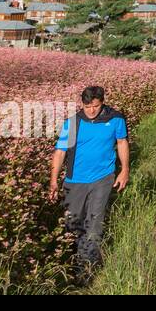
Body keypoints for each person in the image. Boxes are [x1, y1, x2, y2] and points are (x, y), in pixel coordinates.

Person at [48, 86, 129, 269]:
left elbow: (122, 142)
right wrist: (53, 180)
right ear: (82, 104)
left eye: (96, 106)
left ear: (102, 102)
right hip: (74, 181)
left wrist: (125, 170)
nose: (91, 111)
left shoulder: (115, 119)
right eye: (87, 107)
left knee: (94, 223)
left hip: (103, 178)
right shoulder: (73, 123)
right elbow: (60, 152)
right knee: (73, 225)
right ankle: (71, 265)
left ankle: (88, 271)